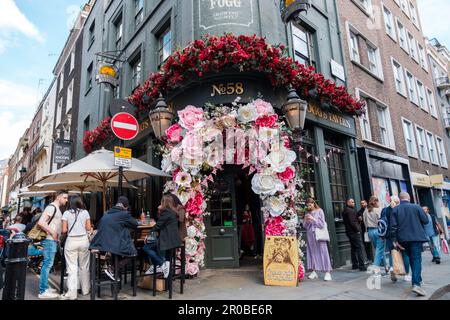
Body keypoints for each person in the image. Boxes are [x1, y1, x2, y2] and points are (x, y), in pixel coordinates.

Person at [89, 196, 138, 280]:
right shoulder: (124, 214)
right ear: (125, 206)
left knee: (118, 253)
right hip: (113, 245)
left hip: (101, 244)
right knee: (133, 253)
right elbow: (135, 224)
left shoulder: (107, 213)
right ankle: (112, 269)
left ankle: (115, 274)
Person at [390, 192, 429, 297]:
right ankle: (416, 284)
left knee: (412, 259)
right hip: (416, 238)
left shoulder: (395, 209)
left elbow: (393, 226)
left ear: (400, 199)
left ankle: (418, 280)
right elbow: (425, 221)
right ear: (409, 198)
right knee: (416, 260)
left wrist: (394, 240)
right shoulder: (416, 207)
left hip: (402, 240)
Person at [36, 190, 68, 299]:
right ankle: (43, 291)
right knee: (47, 265)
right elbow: (41, 222)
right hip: (49, 239)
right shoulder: (52, 207)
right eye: (65, 197)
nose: (66, 200)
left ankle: (45, 287)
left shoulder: (56, 208)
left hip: (52, 240)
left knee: (48, 264)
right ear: (58, 197)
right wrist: (53, 232)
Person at [60, 196, 92, 300]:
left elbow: (64, 230)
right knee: (84, 266)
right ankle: (85, 289)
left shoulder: (66, 213)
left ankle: (72, 293)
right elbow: (88, 228)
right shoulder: (85, 212)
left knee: (72, 267)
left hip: (71, 241)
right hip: (83, 241)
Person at [143, 193, 182, 278]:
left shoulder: (167, 212)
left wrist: (148, 236)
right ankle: (156, 266)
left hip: (167, 240)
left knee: (146, 247)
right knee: (152, 244)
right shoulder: (173, 212)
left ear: (164, 203)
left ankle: (161, 264)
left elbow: (157, 226)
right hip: (172, 239)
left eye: (161, 202)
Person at [382, 196, 411, 283]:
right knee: (405, 254)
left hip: (389, 235)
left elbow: (382, 223)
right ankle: (406, 275)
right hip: (401, 234)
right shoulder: (399, 209)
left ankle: (392, 267)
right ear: (398, 202)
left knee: (392, 252)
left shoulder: (384, 210)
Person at [304, 198, 333, 281]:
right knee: (311, 252)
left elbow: (322, 224)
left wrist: (313, 219)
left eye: (310, 204)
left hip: (319, 234)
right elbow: (305, 226)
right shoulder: (307, 213)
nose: (309, 206)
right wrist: (306, 220)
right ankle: (314, 271)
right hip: (310, 235)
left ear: (314, 203)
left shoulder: (320, 211)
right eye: (307, 205)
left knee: (323, 251)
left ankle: (327, 272)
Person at [342, 199, 367, 271]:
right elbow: (352, 222)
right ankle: (362, 266)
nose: (354, 203)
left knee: (353, 248)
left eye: (354, 202)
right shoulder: (350, 211)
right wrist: (358, 230)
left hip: (349, 232)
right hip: (354, 232)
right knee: (359, 248)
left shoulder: (345, 210)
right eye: (352, 202)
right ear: (347, 203)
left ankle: (355, 264)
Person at [363, 196, 386, 274]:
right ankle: (376, 268)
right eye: (378, 201)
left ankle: (386, 267)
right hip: (378, 230)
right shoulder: (377, 210)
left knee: (379, 249)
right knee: (379, 249)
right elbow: (381, 221)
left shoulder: (366, 210)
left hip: (370, 231)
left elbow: (364, 221)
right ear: (375, 202)